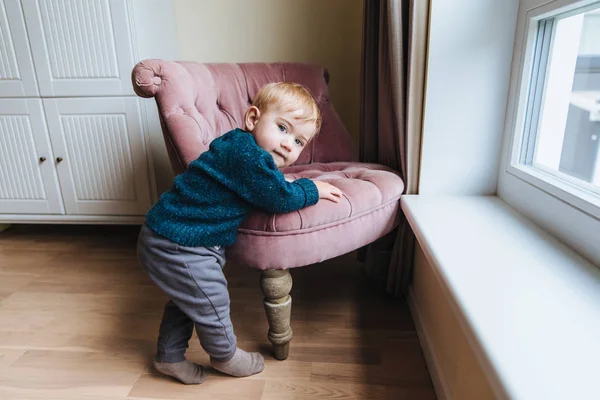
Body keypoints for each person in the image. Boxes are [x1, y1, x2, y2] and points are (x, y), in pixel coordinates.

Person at [136, 82, 342, 385]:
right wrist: (314, 188)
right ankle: (225, 356)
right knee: (213, 302)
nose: (289, 145)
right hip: (179, 243)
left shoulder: (240, 146)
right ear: (252, 119)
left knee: (189, 301)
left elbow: (268, 184)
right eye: (283, 128)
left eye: (299, 142)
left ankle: (169, 357)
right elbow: (280, 197)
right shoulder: (247, 156)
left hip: (171, 235)